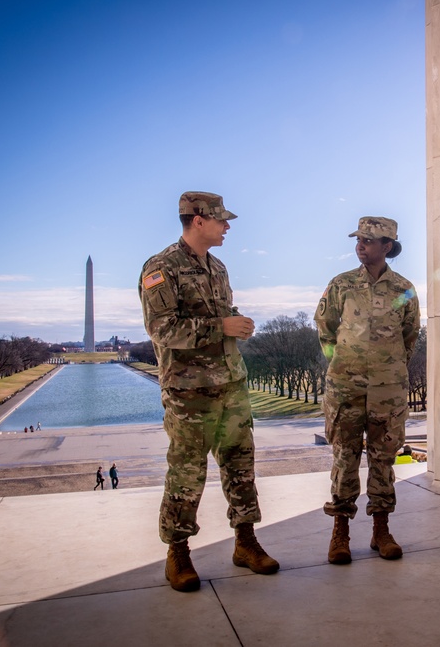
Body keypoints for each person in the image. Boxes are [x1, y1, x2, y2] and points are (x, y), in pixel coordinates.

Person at [139, 190, 279, 593]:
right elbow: (162, 329)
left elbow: (216, 316)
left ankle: (246, 542)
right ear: (198, 220)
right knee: (186, 472)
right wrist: (221, 327)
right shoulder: (160, 268)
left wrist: (236, 322)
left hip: (230, 384)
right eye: (221, 219)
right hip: (189, 392)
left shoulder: (217, 266)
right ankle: (178, 553)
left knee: (241, 466)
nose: (228, 227)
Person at [314, 216, 420, 565]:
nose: (360, 245)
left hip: (387, 390)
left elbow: (410, 335)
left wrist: (389, 367)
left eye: (369, 241)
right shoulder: (341, 284)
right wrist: (340, 363)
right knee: (345, 459)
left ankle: (381, 530)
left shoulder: (404, 288)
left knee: (383, 459)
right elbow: (325, 328)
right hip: (345, 387)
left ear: (387, 246)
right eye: (358, 239)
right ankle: (340, 532)